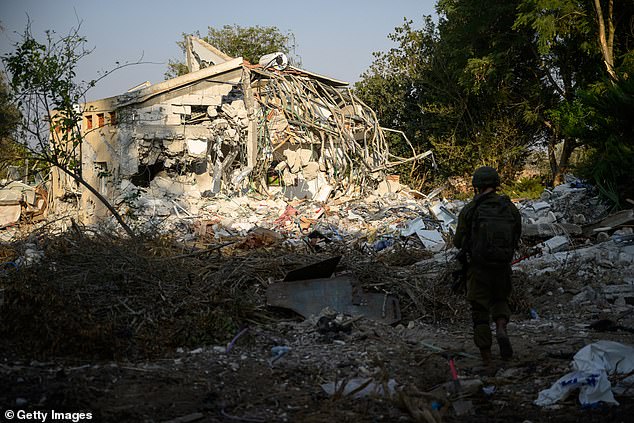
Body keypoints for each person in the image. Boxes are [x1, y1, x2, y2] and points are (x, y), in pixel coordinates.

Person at [453, 166, 522, 365]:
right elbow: (516, 236)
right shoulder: (509, 208)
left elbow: (458, 241)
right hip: (502, 266)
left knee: (479, 310)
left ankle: (487, 358)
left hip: (478, 267)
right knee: (500, 299)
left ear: (476, 186)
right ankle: (501, 327)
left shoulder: (471, 209)